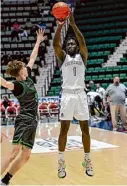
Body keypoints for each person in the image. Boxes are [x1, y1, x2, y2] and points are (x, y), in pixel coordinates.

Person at [0, 29, 47, 185]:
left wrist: (38, 41)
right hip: (24, 119)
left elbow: (33, 57)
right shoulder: (18, 85)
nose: (27, 68)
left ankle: (6, 180)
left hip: (34, 120)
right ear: (19, 72)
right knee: (14, 152)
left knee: (26, 155)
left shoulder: (26, 75)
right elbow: (5, 83)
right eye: (23, 67)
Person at [53, 12, 93, 178]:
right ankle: (61, 164)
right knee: (64, 130)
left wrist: (74, 25)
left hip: (81, 96)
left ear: (76, 47)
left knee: (85, 129)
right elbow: (56, 45)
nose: (70, 45)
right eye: (67, 43)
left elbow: (82, 41)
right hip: (68, 95)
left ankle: (88, 161)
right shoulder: (63, 58)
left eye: (72, 43)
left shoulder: (82, 56)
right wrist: (61, 25)